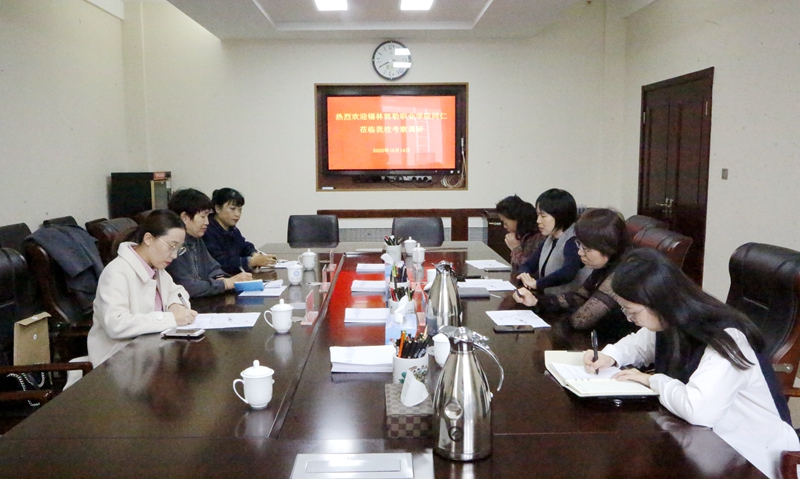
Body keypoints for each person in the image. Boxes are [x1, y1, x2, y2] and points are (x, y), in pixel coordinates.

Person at [584, 248, 799, 479]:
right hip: (707, 445)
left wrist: (653, 380)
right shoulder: (675, 319)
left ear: (658, 303)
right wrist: (610, 355)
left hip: (753, 458)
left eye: (632, 311)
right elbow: (641, 344)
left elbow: (698, 411)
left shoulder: (727, 337)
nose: (630, 319)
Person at [89, 210, 198, 365]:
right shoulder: (117, 272)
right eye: (172, 246)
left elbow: (177, 291)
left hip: (151, 354)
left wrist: (176, 305)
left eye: (178, 249)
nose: (174, 255)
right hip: (119, 361)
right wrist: (171, 319)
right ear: (148, 239)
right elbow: (116, 324)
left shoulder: (157, 268)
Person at [513, 208, 636, 344]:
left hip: (614, 345)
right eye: (579, 245)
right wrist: (536, 301)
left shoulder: (624, 273)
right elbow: (579, 297)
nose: (579, 253)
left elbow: (581, 320)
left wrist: (550, 324)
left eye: (586, 249)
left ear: (608, 247)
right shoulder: (607, 263)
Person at [166, 188, 252, 297]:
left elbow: (214, 269)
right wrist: (225, 284)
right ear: (185, 217)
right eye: (203, 216)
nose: (207, 222)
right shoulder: (173, 245)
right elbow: (186, 286)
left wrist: (221, 278)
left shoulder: (197, 240)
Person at [517, 189, 586, 295]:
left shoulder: (573, 240)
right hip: (549, 299)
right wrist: (524, 275)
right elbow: (529, 264)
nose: (538, 220)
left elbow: (568, 273)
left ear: (560, 215)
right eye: (538, 215)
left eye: (543, 216)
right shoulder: (550, 239)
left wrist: (537, 284)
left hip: (568, 302)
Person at [204, 187, 277, 275]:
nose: (237, 214)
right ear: (218, 208)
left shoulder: (232, 229)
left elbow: (244, 246)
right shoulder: (207, 230)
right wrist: (251, 261)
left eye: (240, 209)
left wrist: (254, 254)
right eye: (232, 209)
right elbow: (220, 262)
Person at [495, 195, 542, 282]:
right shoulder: (521, 235)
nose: (504, 226)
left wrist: (516, 248)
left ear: (517, 219)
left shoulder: (538, 237)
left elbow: (532, 271)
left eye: (505, 222)